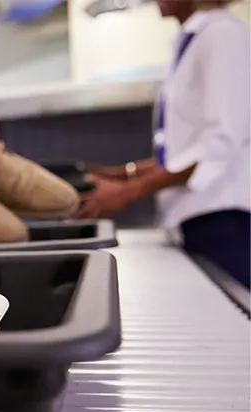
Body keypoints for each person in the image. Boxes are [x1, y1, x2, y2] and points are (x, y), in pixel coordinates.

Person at [75, 0, 250, 288]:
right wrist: (123, 173)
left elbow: (220, 143)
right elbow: (187, 149)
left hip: (225, 219)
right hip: (202, 217)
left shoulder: (222, 35)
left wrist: (127, 192)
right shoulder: (196, 38)